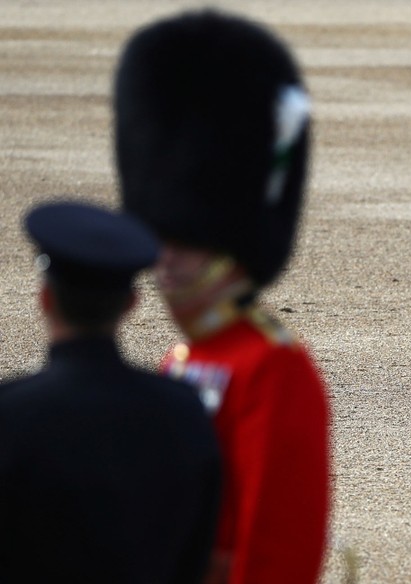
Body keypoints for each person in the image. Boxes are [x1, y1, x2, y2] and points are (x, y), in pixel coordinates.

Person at [113, 10, 331, 584]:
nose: (163, 260)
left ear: (228, 248)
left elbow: (274, 552)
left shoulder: (273, 369)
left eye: (182, 243)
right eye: (160, 239)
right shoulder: (185, 361)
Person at [0, 201, 221, 584]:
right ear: (131, 305)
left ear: (45, 299)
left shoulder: (11, 413)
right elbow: (199, 551)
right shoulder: (184, 410)